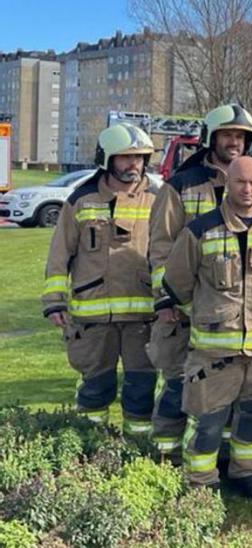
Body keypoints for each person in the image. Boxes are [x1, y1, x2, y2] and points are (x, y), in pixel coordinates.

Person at [160, 157, 252, 497]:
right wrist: (203, 314)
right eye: (240, 182)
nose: (247, 190)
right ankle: (201, 482)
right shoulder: (199, 230)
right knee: (207, 420)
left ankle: (249, 474)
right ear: (227, 184)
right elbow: (176, 284)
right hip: (215, 350)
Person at [149, 103, 252, 460]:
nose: (234, 142)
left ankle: (220, 455)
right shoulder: (181, 186)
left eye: (241, 136)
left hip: (230, 313)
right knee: (179, 382)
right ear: (211, 138)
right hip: (183, 309)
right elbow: (161, 247)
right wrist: (166, 300)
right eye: (227, 134)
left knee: (228, 388)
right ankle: (166, 454)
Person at [42, 123, 159, 433]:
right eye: (125, 158)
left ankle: (139, 449)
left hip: (143, 316)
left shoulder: (158, 198)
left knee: (141, 389)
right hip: (93, 315)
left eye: (139, 158)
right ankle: (91, 445)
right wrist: (54, 302)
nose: (133, 164)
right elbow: (59, 253)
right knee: (95, 388)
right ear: (106, 158)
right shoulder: (81, 200)